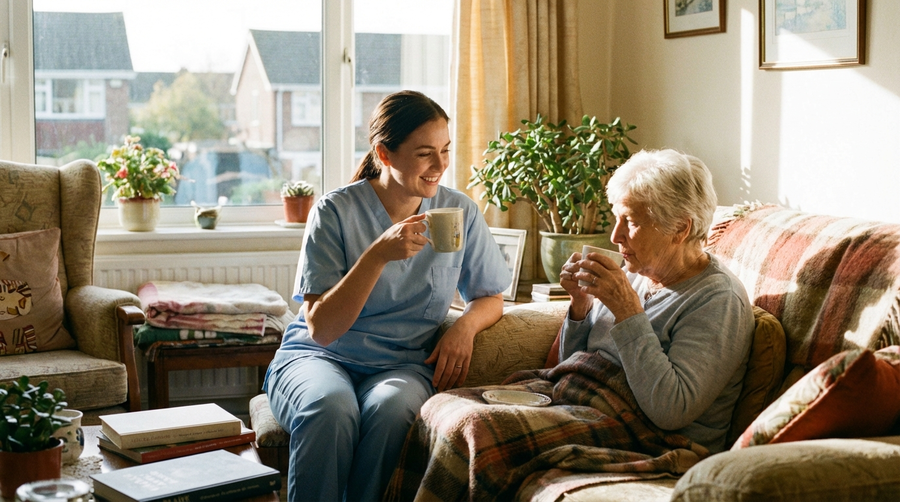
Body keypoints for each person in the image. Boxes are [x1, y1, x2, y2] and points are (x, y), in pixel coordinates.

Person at [263, 90, 511, 502]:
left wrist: (465, 326)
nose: (440, 166)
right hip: (319, 357)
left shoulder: (459, 213)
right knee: (330, 409)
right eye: (425, 154)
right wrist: (378, 254)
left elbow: (490, 295)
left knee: (393, 411)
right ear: (386, 153)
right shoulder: (334, 212)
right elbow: (322, 329)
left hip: (402, 365)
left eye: (446, 150)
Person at [557, 148, 754, 453]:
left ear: (679, 228)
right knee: (465, 413)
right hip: (583, 407)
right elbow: (571, 366)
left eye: (631, 222)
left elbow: (671, 409)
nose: (615, 236)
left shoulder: (718, 299)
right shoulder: (635, 273)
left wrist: (627, 311)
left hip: (653, 440)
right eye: (615, 218)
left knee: (481, 431)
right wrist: (580, 304)